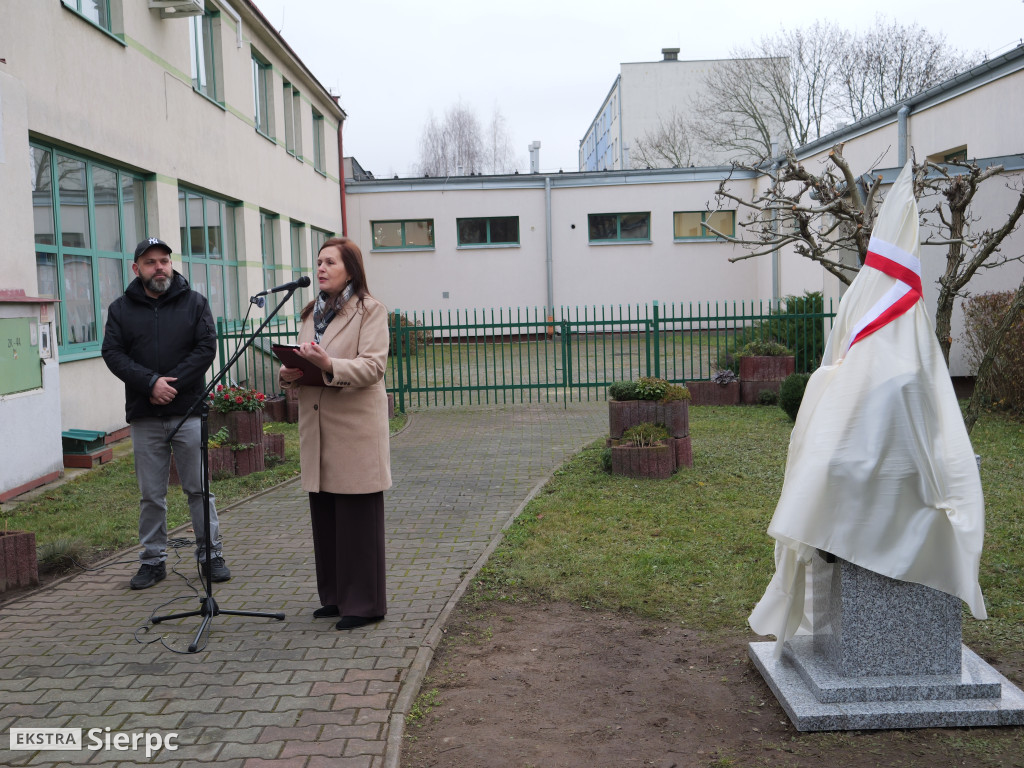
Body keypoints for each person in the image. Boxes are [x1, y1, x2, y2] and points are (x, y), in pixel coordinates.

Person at [102, 237, 230, 590]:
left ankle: (211, 556)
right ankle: (153, 561)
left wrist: (170, 384)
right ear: (136, 268)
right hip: (145, 415)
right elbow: (113, 353)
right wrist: (150, 384)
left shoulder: (194, 303)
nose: (159, 267)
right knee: (151, 494)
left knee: (199, 489)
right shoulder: (120, 309)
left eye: (164, 260)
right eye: (150, 262)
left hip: (187, 411)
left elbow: (206, 348)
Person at [279, 236, 391, 630]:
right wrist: (288, 373)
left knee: (357, 522)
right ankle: (336, 597)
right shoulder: (312, 312)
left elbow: (373, 367)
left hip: (354, 431)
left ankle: (364, 604)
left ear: (351, 269)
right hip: (318, 430)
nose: (321, 268)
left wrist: (329, 364)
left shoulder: (370, 311)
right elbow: (304, 357)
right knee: (326, 519)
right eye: (319, 261)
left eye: (330, 262)